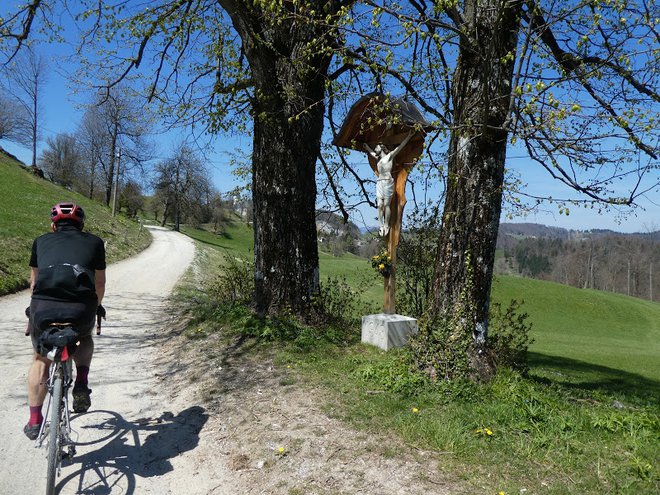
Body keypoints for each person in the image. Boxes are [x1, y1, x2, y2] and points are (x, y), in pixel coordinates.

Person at [24, 202, 106, 440]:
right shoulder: (95, 242)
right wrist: (95, 306)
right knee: (84, 336)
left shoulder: (40, 241)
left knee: (40, 358)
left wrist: (37, 309)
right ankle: (81, 382)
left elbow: (34, 283)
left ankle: (34, 420)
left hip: (44, 307)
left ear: (53, 225)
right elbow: (99, 284)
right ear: (82, 225)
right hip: (80, 308)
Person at [364, 131, 413, 236]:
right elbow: (372, 153)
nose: (375, 149)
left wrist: (409, 136)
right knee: (379, 205)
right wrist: (367, 147)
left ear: (381, 148)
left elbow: (400, 147)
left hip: (387, 182)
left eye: (376, 148)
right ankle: (381, 224)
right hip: (380, 183)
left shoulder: (389, 156)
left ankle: (386, 224)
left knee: (386, 204)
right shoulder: (379, 159)